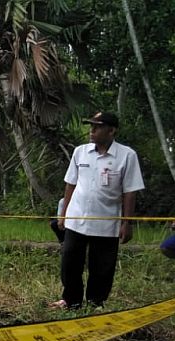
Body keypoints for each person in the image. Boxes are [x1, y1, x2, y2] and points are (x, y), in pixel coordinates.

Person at [49, 111, 145, 310]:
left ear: (111, 131)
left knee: (102, 266)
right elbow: (70, 184)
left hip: (106, 222)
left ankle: (96, 302)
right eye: (91, 126)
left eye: (97, 127)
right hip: (76, 219)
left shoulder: (127, 155)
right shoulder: (80, 152)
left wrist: (127, 223)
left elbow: (129, 192)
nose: (91, 130)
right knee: (70, 262)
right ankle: (71, 300)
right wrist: (63, 214)